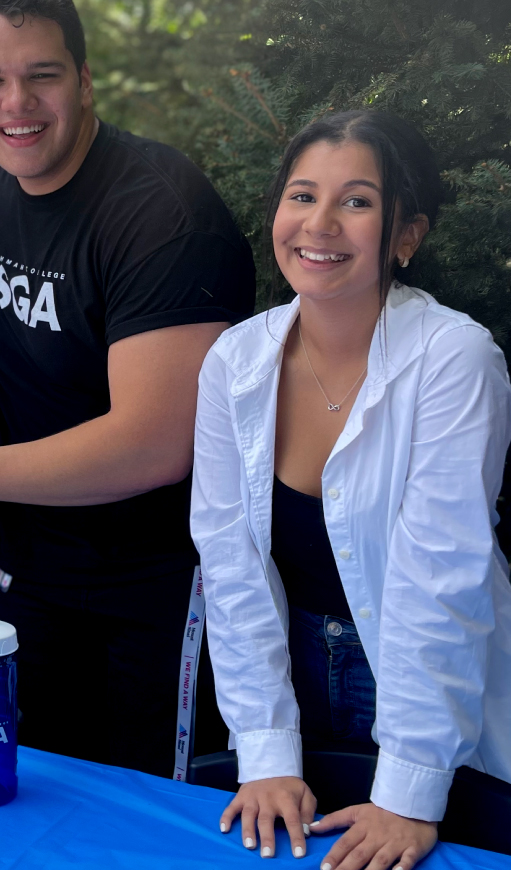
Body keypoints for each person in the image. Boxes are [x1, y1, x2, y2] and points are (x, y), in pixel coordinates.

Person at [0, 0, 255, 776]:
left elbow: (151, 444)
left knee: (145, 818)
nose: (15, 104)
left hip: (155, 586)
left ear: (82, 80)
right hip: (24, 576)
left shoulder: (160, 213)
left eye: (40, 75)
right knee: (28, 792)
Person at [191, 109, 511, 869]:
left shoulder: (453, 360)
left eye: (356, 201)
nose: (320, 223)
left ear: (405, 235)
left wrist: (408, 791)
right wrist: (266, 748)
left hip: (427, 680)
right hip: (288, 668)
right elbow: (229, 563)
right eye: (301, 196)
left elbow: (441, 581)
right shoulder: (232, 362)